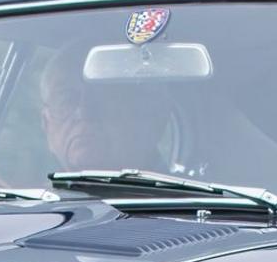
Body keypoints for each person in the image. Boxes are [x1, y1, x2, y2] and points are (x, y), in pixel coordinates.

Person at [39, 49, 180, 172]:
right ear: (47, 126)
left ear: (152, 119)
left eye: (103, 97)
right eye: (67, 100)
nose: (85, 113)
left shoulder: (185, 201)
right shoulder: (27, 198)